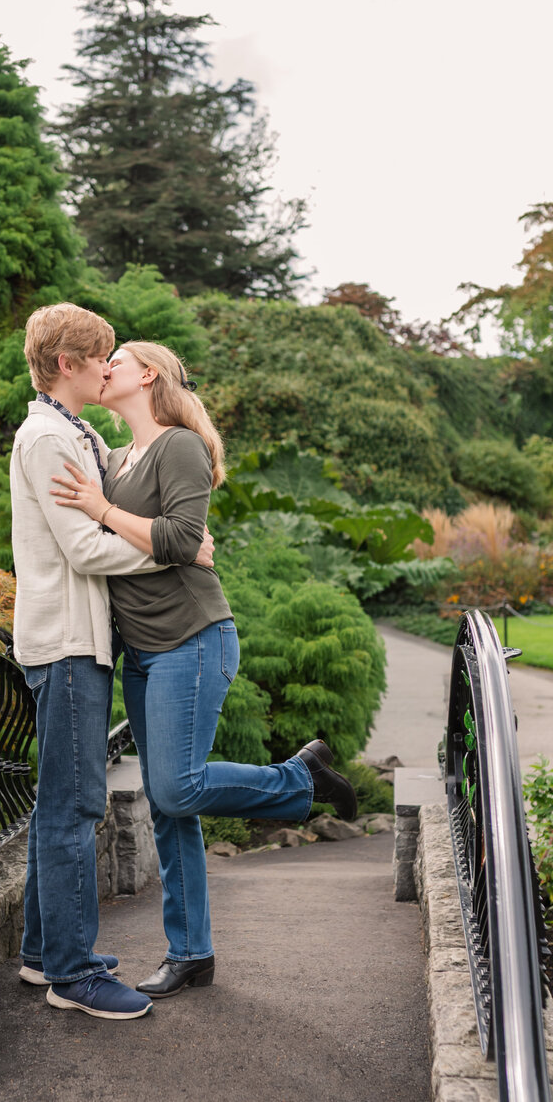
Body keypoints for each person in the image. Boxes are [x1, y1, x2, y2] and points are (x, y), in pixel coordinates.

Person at [51, 340, 358, 999]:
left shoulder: (178, 446)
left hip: (192, 639)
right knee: (169, 805)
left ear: (148, 374)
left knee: (179, 788)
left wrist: (108, 513)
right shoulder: (112, 458)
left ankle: (298, 778)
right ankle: (191, 951)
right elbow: (141, 542)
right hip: (142, 651)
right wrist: (127, 521)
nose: (104, 366)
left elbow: (183, 540)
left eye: (117, 358)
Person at [11, 304, 213, 1021]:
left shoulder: (80, 431)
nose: (107, 367)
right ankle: (74, 974)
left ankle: (42, 953)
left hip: (84, 640)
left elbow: (108, 513)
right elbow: (85, 546)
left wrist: (160, 531)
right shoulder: (44, 438)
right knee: (75, 807)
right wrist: (178, 545)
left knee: (56, 803)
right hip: (67, 643)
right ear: (67, 364)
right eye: (99, 357)